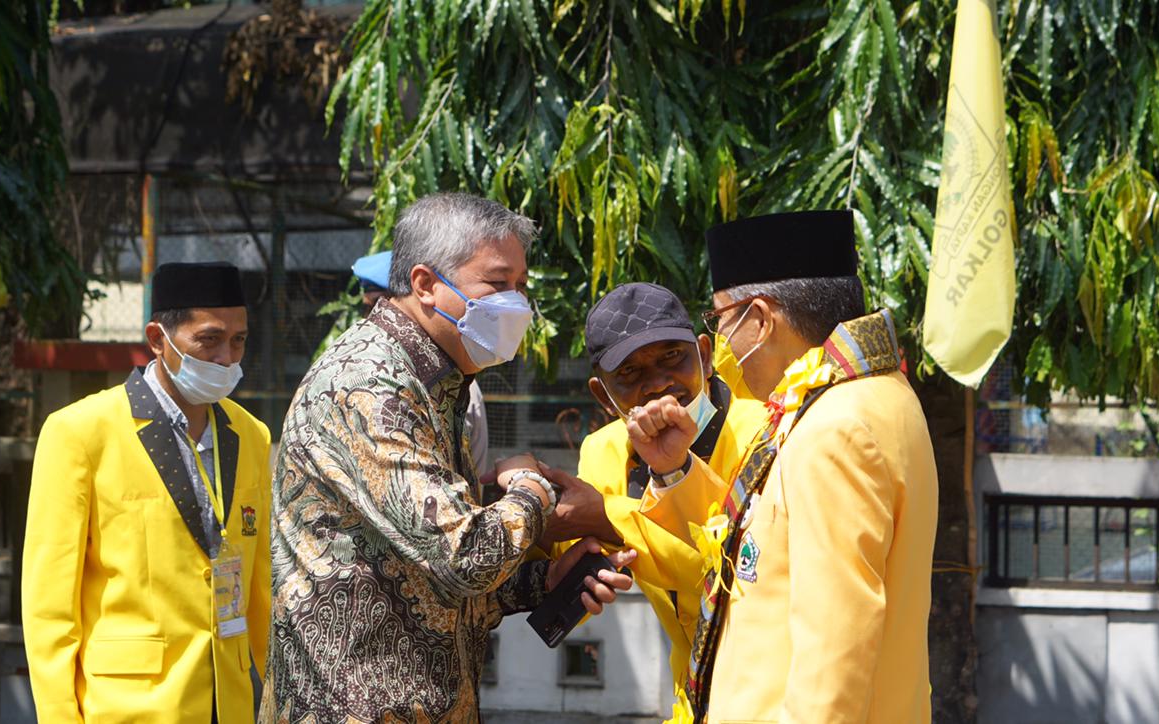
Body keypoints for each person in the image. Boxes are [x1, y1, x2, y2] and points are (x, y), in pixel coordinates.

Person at [262, 193, 636, 721]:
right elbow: (465, 557)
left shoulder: (438, 382)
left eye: (522, 287)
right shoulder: (370, 386)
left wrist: (543, 583)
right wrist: (533, 486)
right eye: (497, 284)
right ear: (425, 284)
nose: (517, 305)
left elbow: (431, 583)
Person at [623, 210, 939, 722]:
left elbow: (835, 653)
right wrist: (676, 469)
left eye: (721, 319)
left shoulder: (836, 427)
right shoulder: (865, 399)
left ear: (762, 320)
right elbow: (762, 545)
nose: (720, 343)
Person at [23, 261, 272, 723]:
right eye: (209, 339)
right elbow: (49, 610)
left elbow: (261, 587)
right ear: (158, 339)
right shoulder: (79, 434)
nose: (227, 358)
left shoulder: (251, 435)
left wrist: (282, 698)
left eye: (238, 341)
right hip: (129, 708)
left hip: (230, 702)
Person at [537, 282, 766, 695]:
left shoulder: (765, 432)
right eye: (630, 373)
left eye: (673, 357)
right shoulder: (604, 452)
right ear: (603, 396)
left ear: (705, 355)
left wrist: (611, 518)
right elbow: (571, 584)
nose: (659, 384)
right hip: (692, 696)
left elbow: (739, 574)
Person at [353, 249, 491, 474]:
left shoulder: (458, 383)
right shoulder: (364, 374)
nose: (372, 320)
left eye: (380, 307)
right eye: (368, 309)